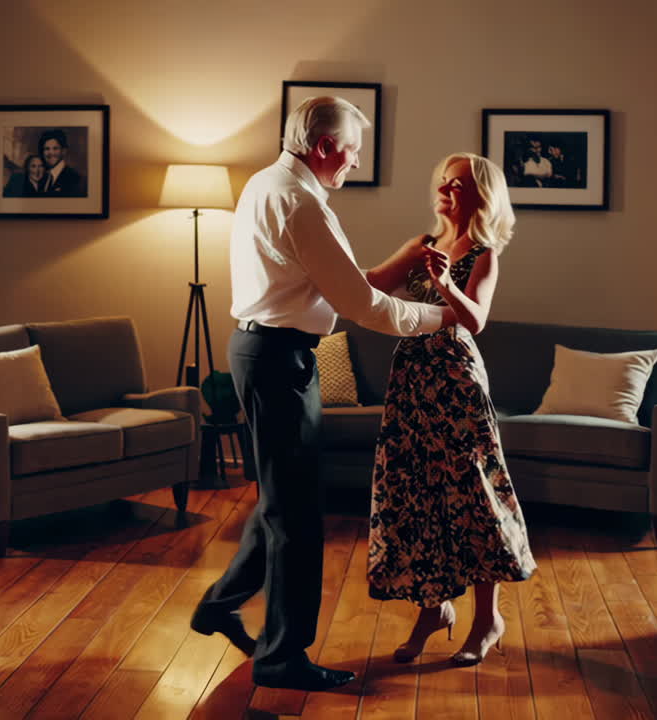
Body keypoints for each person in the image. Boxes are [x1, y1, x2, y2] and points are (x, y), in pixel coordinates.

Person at [189, 96, 456, 692]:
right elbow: (364, 307)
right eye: (353, 151)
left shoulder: (268, 184)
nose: (356, 162)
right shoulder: (300, 202)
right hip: (278, 360)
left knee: (281, 501)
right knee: (298, 517)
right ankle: (282, 659)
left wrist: (402, 264)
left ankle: (219, 605)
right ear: (326, 146)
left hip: (268, 352)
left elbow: (337, 290)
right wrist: (444, 318)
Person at [364, 152, 537, 666]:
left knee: (473, 493)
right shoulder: (420, 245)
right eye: (443, 181)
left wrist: (445, 284)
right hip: (411, 378)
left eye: (458, 184)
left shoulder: (484, 252)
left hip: (456, 377)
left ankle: (487, 619)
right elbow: (370, 285)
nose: (446, 189)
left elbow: (475, 320)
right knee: (416, 492)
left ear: (481, 194)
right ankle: (433, 609)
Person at [37, 129, 87, 196]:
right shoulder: (42, 178)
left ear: (63, 151)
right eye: (47, 149)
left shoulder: (74, 178)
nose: (51, 153)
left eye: (55, 148)